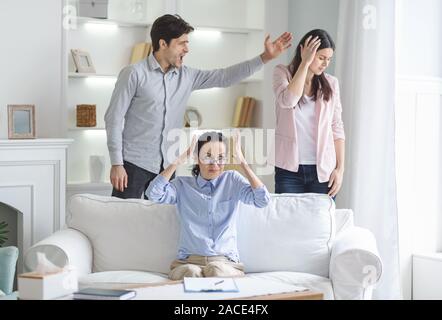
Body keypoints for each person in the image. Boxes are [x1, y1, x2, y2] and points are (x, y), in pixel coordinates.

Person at [105, 14, 292, 199]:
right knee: (125, 224)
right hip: (132, 166)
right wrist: (117, 164)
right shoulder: (133, 74)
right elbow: (113, 118)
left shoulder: (187, 76)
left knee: (162, 225)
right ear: (163, 44)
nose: (187, 49)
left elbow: (224, 77)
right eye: (182, 43)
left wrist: (265, 58)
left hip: (167, 168)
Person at [146, 131, 270, 280]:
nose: (215, 163)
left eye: (220, 157)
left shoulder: (232, 180)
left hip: (225, 263)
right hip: (188, 262)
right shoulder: (182, 185)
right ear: (197, 158)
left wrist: (243, 164)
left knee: (215, 269)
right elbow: (153, 193)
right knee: (191, 272)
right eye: (207, 156)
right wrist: (178, 161)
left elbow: (262, 200)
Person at [272, 29, 345, 197]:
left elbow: (337, 127)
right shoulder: (281, 73)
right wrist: (305, 64)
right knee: (288, 221)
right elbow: (288, 100)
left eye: (329, 59)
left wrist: (340, 170)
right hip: (289, 170)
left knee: (321, 223)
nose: (325, 64)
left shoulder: (332, 83)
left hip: (323, 171)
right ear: (304, 51)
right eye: (321, 58)